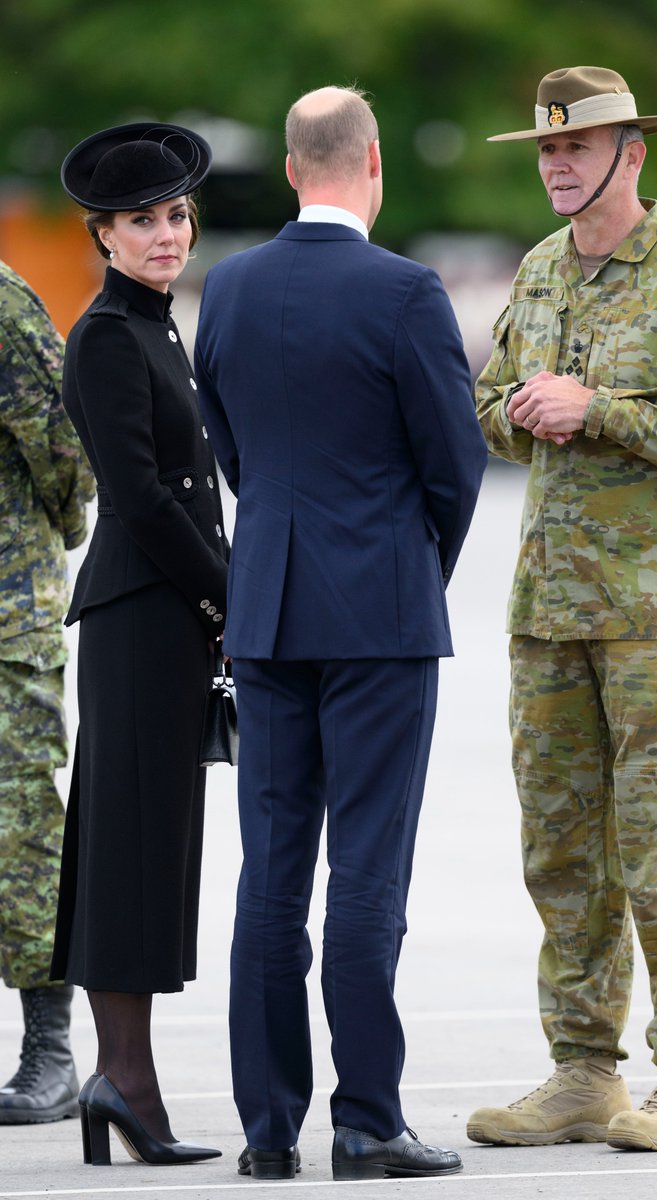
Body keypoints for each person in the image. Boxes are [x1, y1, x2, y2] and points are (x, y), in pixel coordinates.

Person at [466, 66, 657, 1154]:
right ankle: (582, 1070)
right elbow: (489, 410)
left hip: (655, 622)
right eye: (543, 151)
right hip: (547, 611)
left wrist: (604, 409)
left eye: (573, 149)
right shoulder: (541, 271)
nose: (553, 165)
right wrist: (522, 410)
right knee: (559, 850)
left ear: (628, 154)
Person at [194, 85, 487, 1182]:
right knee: (366, 869)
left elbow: (229, 445)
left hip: (266, 610)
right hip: (377, 612)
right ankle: (365, 1119)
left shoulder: (223, 287)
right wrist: (411, 568)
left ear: (287, 168)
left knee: (269, 873)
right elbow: (452, 464)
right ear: (370, 166)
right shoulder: (404, 292)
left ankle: (267, 1130)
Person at [49, 123, 229, 1166]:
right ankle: (122, 1080)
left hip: (169, 616)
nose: (166, 234)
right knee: (125, 848)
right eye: (142, 221)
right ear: (102, 234)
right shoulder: (110, 335)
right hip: (137, 615)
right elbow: (143, 500)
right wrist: (234, 597)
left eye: (174, 215)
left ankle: (128, 1081)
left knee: (152, 849)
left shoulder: (157, 326)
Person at [0, 262, 94, 1124]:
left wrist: (47, 537)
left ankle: (49, 1051)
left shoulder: (1, 302)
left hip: (3, 616)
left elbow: (66, 448)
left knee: (19, 829)